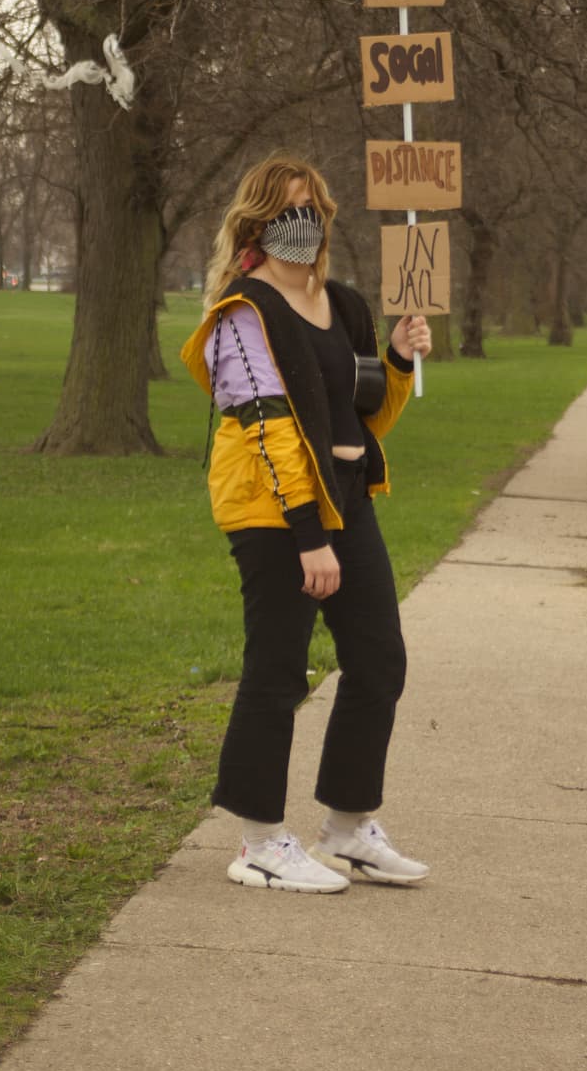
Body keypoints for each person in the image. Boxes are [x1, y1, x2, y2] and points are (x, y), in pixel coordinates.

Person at [180, 154, 432, 894]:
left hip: (344, 500)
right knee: (279, 667)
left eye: (315, 208)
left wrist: (397, 360)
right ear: (258, 222)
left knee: (379, 660)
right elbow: (269, 431)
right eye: (291, 210)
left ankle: (349, 830)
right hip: (271, 507)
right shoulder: (242, 314)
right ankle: (259, 841)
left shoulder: (346, 304)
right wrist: (308, 536)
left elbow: (364, 418)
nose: (306, 223)